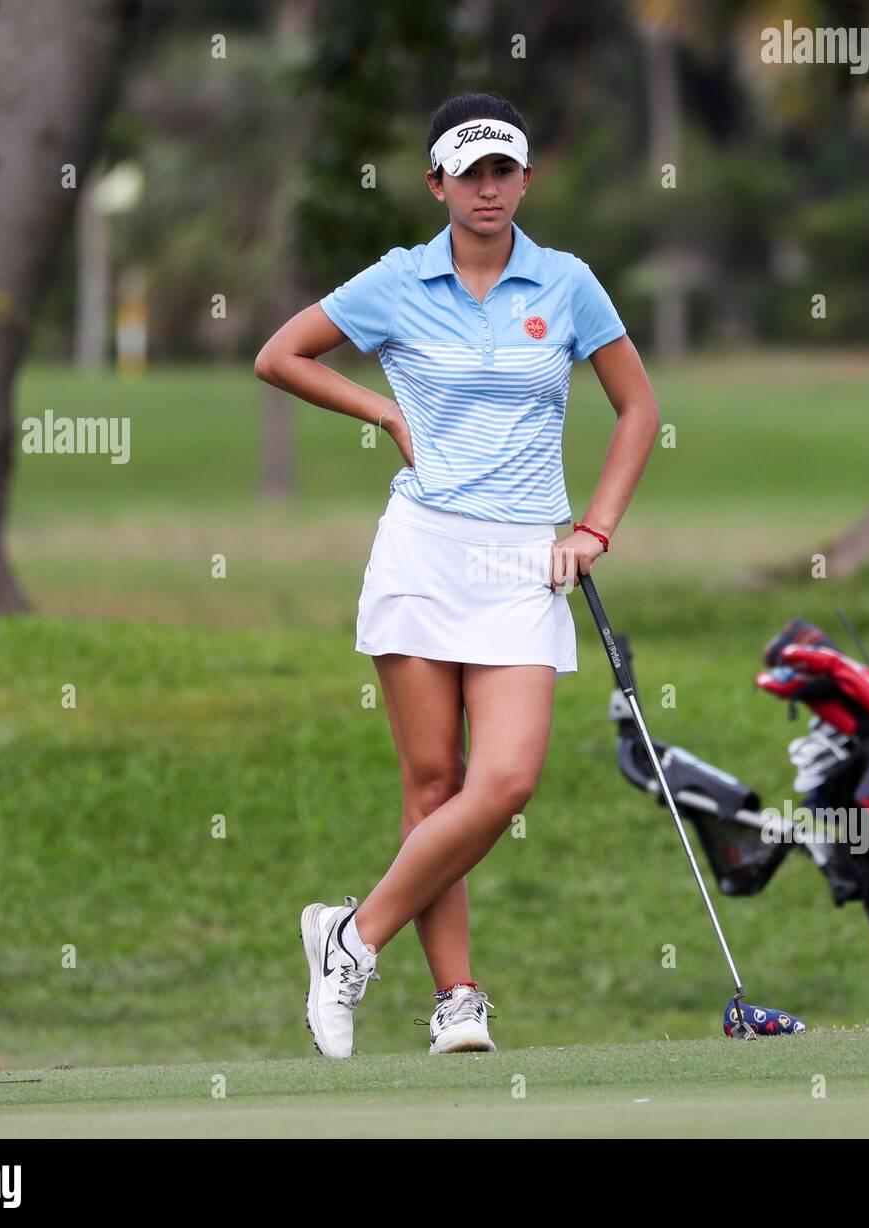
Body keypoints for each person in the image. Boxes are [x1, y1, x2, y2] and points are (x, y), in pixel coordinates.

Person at [254, 92, 660, 1058]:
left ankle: (349, 939)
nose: (488, 188)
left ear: (526, 178)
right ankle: (458, 1002)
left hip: (526, 558)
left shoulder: (566, 284)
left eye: (503, 170)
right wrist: (383, 414)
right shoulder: (398, 281)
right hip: (424, 550)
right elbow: (280, 356)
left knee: (506, 781)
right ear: (437, 183)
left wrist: (595, 530)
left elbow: (638, 410)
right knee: (432, 785)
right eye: (469, 173)